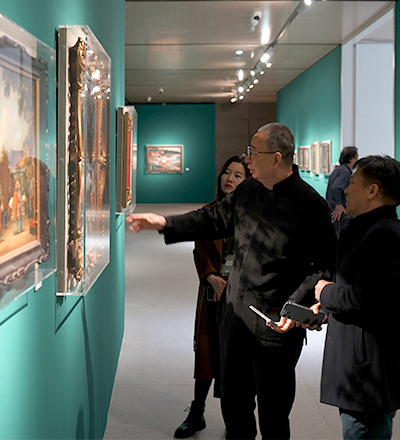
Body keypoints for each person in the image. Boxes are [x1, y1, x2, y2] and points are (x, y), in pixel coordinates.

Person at [128, 122, 337, 439]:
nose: (248, 158)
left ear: (276, 158)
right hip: (234, 320)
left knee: (273, 416)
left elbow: (324, 266)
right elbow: (212, 219)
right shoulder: (249, 189)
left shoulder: (309, 204)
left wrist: (296, 307)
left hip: (275, 328)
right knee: (235, 411)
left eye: (254, 152)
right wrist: (165, 223)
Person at [278, 155, 400, 440]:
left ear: (372, 190)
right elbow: (366, 294)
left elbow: (361, 298)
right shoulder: (369, 229)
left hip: (368, 374)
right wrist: (326, 307)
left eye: (352, 183)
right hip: (361, 366)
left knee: (362, 430)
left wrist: (324, 291)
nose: (345, 190)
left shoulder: (382, 235)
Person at [174, 155, 250, 438]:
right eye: (227, 172)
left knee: (236, 360)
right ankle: (197, 413)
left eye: (238, 175)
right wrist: (210, 276)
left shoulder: (254, 217)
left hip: (242, 297)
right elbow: (200, 250)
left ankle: (235, 420)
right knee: (206, 354)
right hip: (212, 292)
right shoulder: (209, 212)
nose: (230, 179)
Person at [326, 146, 359, 234]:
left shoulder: (339, 170)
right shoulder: (345, 172)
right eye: (356, 158)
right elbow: (336, 187)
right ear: (351, 159)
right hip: (338, 213)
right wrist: (338, 204)